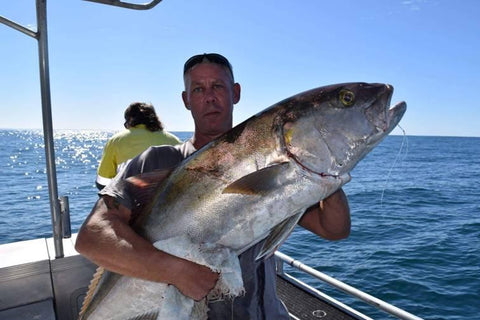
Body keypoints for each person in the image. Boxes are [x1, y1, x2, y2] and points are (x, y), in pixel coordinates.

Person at [75, 53, 351, 319]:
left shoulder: (275, 161)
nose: (209, 96)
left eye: (218, 86)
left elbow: (333, 229)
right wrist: (177, 271)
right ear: (186, 100)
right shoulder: (155, 160)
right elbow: (92, 237)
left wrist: (325, 172)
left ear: (236, 93)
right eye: (198, 89)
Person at [95, 102, 181, 190]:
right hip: (168, 200)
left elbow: (102, 182)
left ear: (129, 121)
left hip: (129, 200)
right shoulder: (175, 141)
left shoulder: (115, 141)